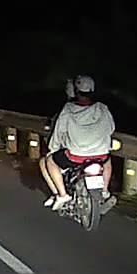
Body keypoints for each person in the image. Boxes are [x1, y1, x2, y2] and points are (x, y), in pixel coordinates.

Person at [40, 75, 116, 212]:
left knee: (50, 161)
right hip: (100, 155)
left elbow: (59, 131)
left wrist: (53, 148)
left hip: (76, 156)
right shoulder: (102, 108)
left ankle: (62, 195)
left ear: (75, 91)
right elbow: (111, 128)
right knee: (107, 161)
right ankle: (105, 191)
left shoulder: (68, 109)